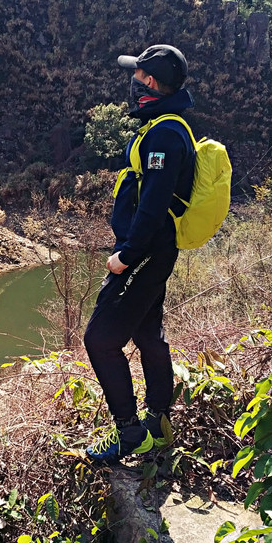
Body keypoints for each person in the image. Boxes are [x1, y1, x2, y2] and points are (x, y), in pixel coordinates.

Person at [84, 44, 196, 463]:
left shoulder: (164, 134)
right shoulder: (166, 126)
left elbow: (152, 204)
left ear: (149, 81)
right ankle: (160, 421)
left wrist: (126, 255)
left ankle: (130, 433)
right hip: (154, 249)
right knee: (148, 335)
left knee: (99, 339)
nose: (132, 83)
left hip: (145, 251)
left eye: (137, 75)